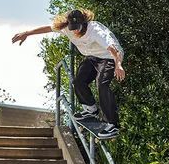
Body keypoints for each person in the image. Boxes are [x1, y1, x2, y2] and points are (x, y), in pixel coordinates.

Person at [12, 9, 125, 139]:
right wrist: (27, 33)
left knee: (102, 84)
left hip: (110, 57)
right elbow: (47, 29)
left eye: (78, 28)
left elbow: (112, 48)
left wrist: (118, 64)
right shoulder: (66, 27)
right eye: (73, 28)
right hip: (92, 57)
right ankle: (91, 109)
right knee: (78, 81)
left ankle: (112, 124)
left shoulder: (96, 30)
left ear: (85, 23)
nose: (75, 31)